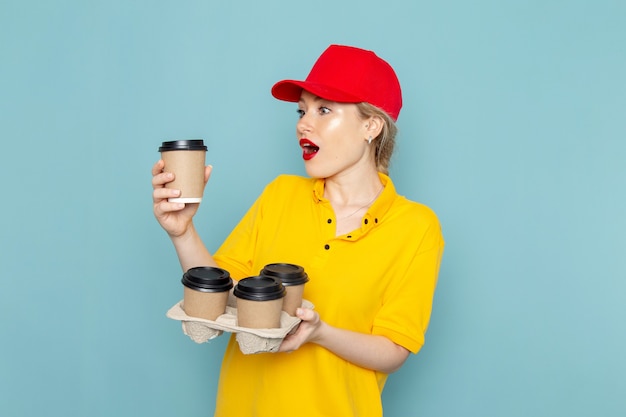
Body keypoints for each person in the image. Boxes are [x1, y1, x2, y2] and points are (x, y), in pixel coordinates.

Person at [152, 44, 444, 417]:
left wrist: (321, 332)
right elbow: (221, 297)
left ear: (371, 126)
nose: (303, 123)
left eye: (324, 110)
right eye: (302, 110)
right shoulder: (280, 195)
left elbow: (393, 350)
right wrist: (182, 231)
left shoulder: (415, 228)